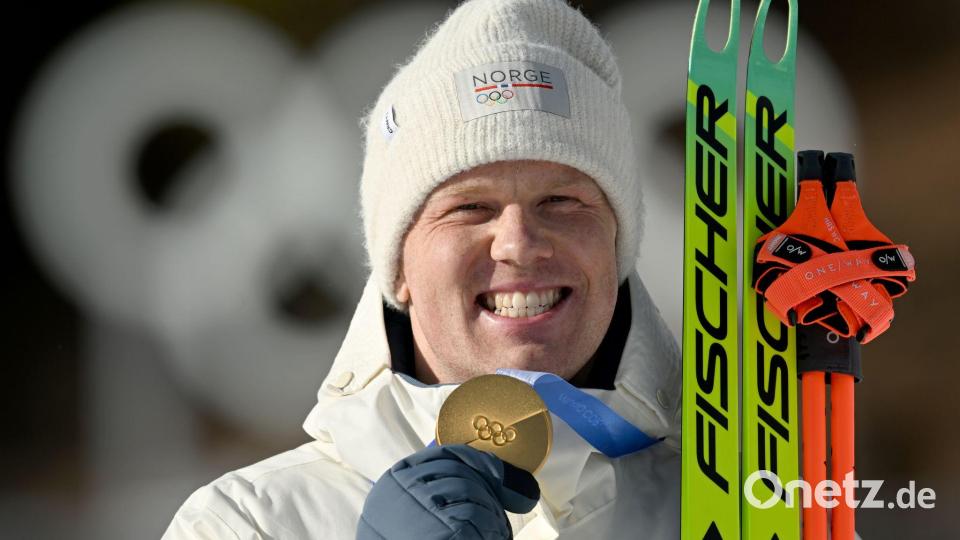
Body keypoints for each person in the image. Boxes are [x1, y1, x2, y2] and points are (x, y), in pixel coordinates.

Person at [163, 0, 681, 538]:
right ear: (398, 268)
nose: (519, 244)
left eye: (561, 201)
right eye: (469, 208)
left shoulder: (743, 499)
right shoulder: (250, 522)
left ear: (618, 244)